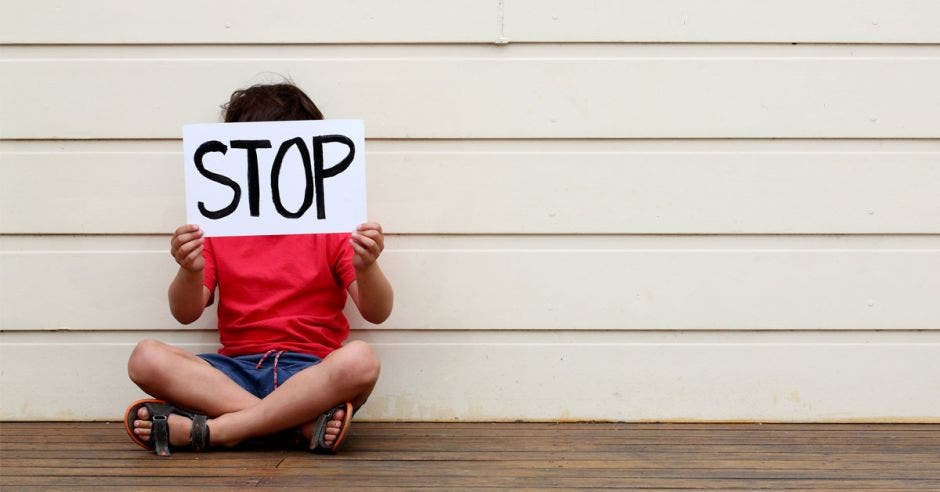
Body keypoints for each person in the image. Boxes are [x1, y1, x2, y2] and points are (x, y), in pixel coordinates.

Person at [122, 83, 393, 456]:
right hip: (235, 374)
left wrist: (368, 266)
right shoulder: (218, 229)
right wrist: (188, 269)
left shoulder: (331, 228)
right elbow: (184, 313)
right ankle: (294, 425)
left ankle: (219, 431)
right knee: (145, 357)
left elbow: (377, 312)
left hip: (310, 373)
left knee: (361, 359)